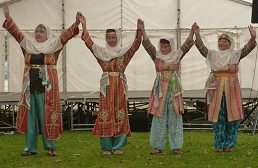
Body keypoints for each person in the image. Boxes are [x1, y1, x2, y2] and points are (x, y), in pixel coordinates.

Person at [2, 2, 80, 156]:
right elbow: (16, 32)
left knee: (47, 115)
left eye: (42, 31)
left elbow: (66, 36)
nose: (38, 33)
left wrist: (76, 23)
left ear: (47, 34)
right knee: (30, 117)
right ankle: (30, 148)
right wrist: (7, 16)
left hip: (47, 88)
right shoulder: (27, 45)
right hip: (30, 86)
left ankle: (50, 147)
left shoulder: (54, 46)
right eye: (36, 31)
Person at [79, 14, 142, 155]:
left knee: (120, 112)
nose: (111, 40)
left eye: (114, 37)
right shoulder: (101, 53)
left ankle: (118, 146)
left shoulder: (123, 53)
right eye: (109, 38)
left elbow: (135, 45)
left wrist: (139, 30)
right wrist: (84, 25)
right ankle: (106, 147)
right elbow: (89, 43)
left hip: (120, 85)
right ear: (106, 39)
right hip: (106, 86)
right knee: (105, 113)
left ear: (118, 38)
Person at [193, 22, 257, 152]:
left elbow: (247, 48)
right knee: (218, 116)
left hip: (232, 89)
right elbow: (201, 48)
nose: (221, 43)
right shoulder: (213, 54)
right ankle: (219, 144)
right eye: (220, 41)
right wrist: (197, 35)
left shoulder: (236, 54)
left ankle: (229, 144)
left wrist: (252, 38)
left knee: (232, 116)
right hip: (216, 89)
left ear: (230, 44)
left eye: (224, 41)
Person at [137, 19, 194, 154]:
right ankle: (157, 146)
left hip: (174, 90)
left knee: (175, 116)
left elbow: (187, 46)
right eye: (161, 46)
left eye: (166, 46)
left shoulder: (176, 56)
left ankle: (176, 146)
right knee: (159, 116)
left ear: (171, 47)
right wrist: (143, 30)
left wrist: (192, 33)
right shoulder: (156, 56)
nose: (163, 49)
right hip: (160, 89)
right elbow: (147, 45)